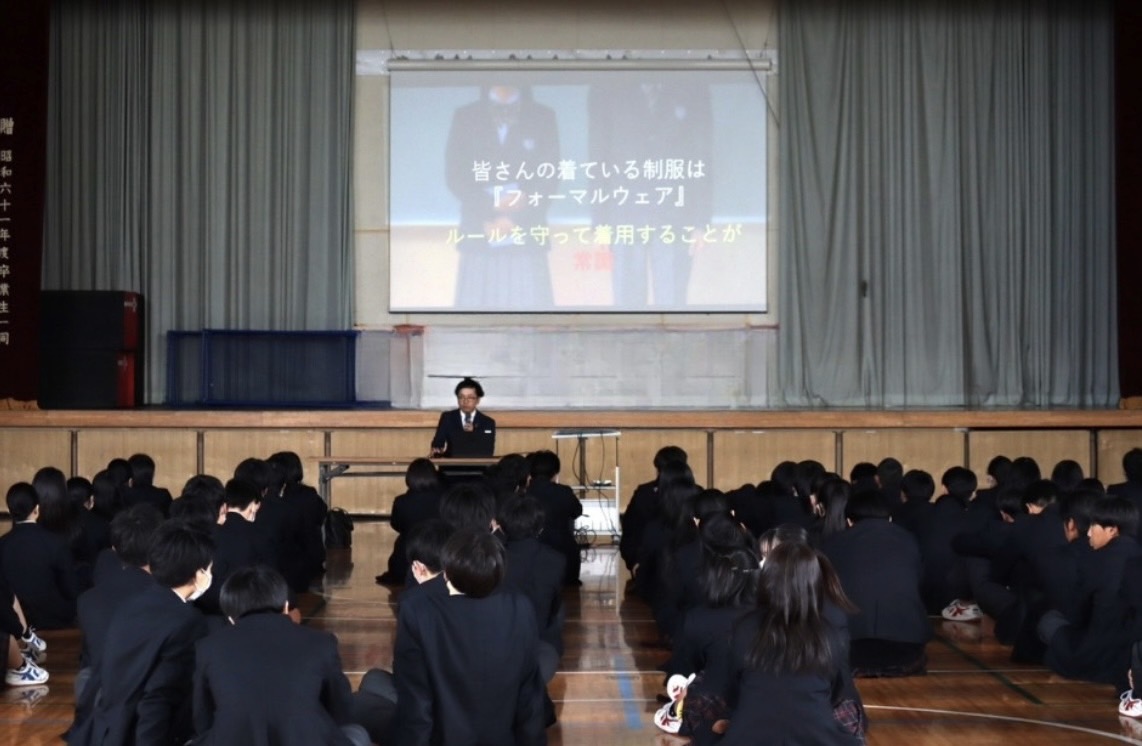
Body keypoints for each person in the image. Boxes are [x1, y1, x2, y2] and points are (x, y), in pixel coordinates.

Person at [390, 527, 546, 745]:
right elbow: (528, 695)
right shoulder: (520, 606)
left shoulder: (417, 607)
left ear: (447, 569)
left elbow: (416, 700)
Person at [68, 520, 214, 746]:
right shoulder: (188, 621)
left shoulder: (132, 605)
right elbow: (159, 697)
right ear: (198, 573)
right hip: (140, 735)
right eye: (209, 569)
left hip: (106, 730)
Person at [192, 566, 369, 746]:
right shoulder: (320, 642)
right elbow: (341, 709)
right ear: (285, 606)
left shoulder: (208, 647)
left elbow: (202, 717)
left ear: (230, 617)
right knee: (356, 733)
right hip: (306, 740)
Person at [444, 82, 560, 310]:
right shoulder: (465, 116)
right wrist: (491, 209)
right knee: (475, 315)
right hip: (480, 230)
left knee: (532, 316)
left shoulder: (543, 116)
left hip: (527, 232)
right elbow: (455, 176)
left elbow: (549, 178)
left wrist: (515, 219)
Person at [0, 482, 78, 630]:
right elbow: (70, 590)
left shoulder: (2, 544)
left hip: (12, 622)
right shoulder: (56, 542)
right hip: (52, 621)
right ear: (36, 509)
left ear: (10, 510)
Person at [378, 458, 444, 586]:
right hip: (438, 553)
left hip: (408, 554)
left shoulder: (401, 501)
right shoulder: (444, 499)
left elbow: (396, 525)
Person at [430, 377, 496, 457]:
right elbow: (438, 444)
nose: (465, 401)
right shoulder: (448, 418)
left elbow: (488, 448)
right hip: (451, 463)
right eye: (461, 397)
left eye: (470, 397)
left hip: (478, 463)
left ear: (478, 400)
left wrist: (474, 432)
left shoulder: (487, 422)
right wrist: (437, 449)